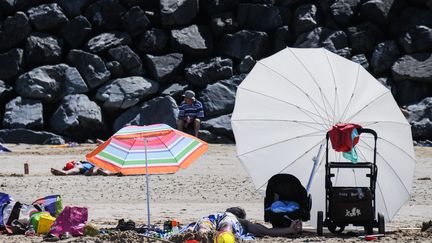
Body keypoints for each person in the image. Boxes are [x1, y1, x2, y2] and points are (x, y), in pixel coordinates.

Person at [186, 207, 302, 240]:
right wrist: (291, 229)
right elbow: (267, 232)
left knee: (202, 227)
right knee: (227, 227)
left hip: (206, 218)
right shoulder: (240, 221)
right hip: (229, 220)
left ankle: (199, 235)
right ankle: (224, 236)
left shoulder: (215, 214)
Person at [50, 161, 119, 176]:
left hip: (84, 168)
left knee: (97, 169)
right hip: (89, 167)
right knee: (98, 169)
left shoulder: (80, 163)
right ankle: (112, 173)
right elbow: (66, 166)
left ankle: (66, 173)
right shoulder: (78, 163)